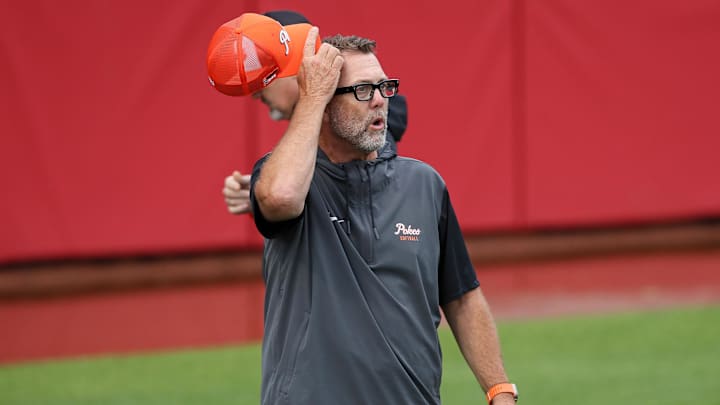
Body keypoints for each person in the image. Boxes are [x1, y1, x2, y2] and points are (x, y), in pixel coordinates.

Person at [221, 10, 408, 216]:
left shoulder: (354, 111)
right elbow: (284, 199)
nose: (257, 93)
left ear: (296, 68)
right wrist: (264, 191)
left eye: (266, 77)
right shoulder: (315, 117)